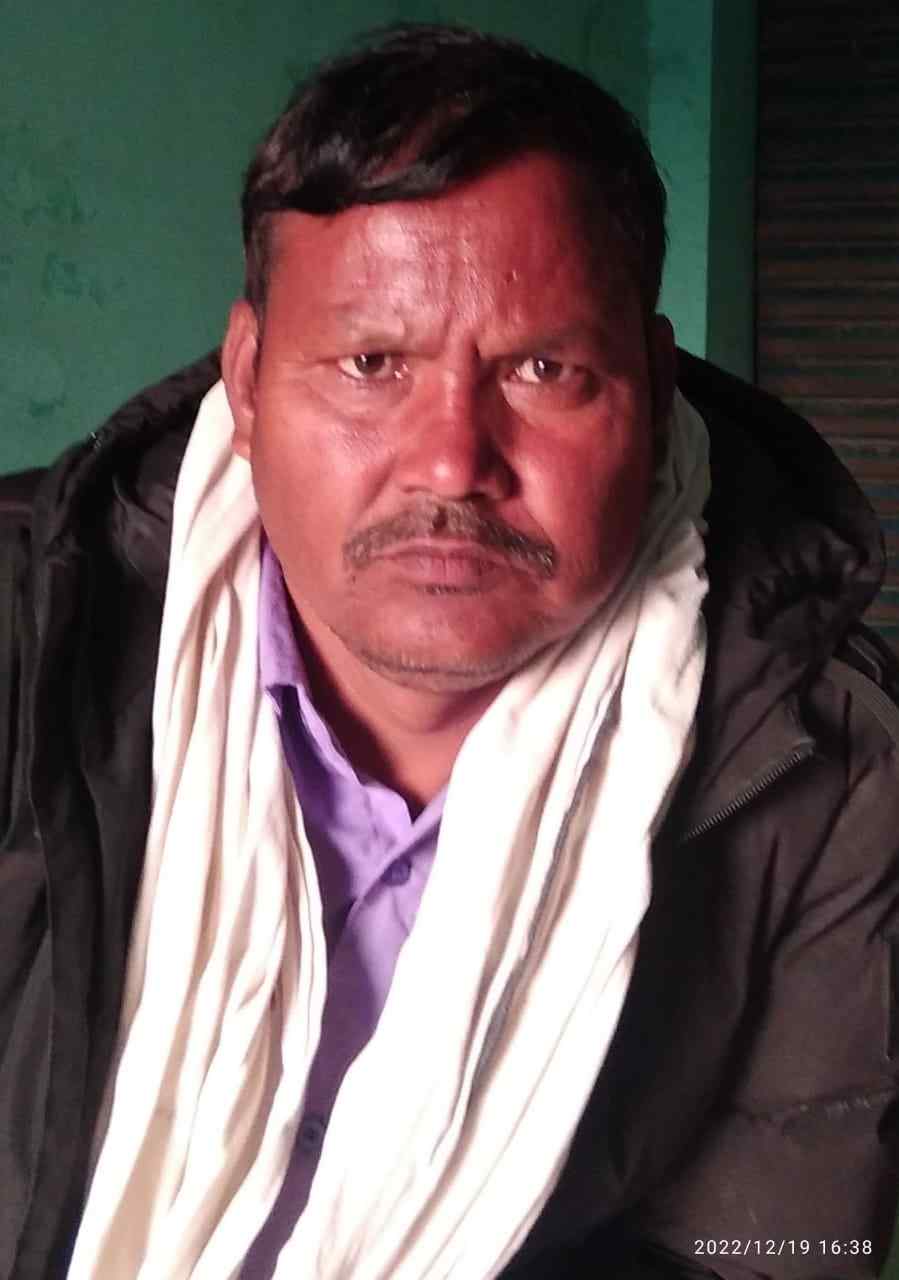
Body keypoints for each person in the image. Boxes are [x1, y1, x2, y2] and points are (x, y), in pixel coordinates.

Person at [1, 22, 898, 1280]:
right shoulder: (32, 630)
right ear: (247, 380)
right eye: (371, 363)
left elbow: (776, 1249)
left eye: (541, 368)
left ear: (653, 389)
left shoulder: (822, 765)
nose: (448, 462)